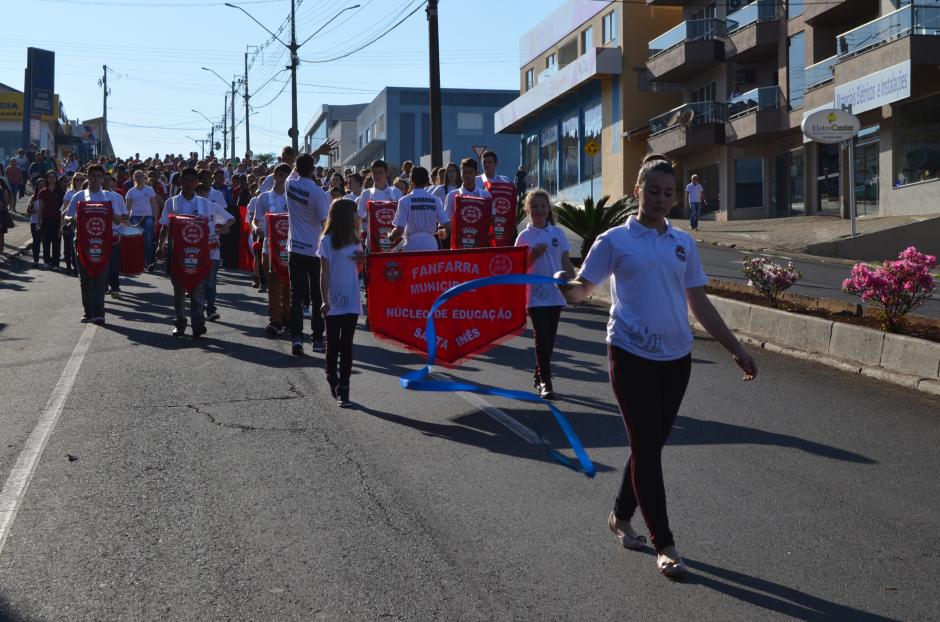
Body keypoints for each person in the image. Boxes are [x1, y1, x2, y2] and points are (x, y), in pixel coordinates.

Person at [556, 154, 757, 579]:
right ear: (637, 191)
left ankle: (619, 515)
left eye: (669, 192)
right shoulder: (613, 240)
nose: (662, 199)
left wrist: (735, 347)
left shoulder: (682, 242)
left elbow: (698, 302)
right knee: (647, 447)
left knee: (649, 447)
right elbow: (582, 292)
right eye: (654, 191)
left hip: (676, 359)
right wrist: (564, 285)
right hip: (629, 354)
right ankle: (664, 543)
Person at [157, 167, 233, 337]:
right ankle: (180, 323)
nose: (189, 184)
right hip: (177, 254)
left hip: (199, 254)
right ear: (180, 182)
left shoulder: (205, 204)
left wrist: (223, 228)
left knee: (198, 290)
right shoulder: (172, 202)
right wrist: (160, 245)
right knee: (179, 291)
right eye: (186, 180)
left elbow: (227, 220)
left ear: (196, 182)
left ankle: (198, 324)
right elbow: (165, 226)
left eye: (193, 180)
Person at [514, 189, 574, 399]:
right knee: (542, 337)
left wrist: (575, 284)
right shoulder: (524, 236)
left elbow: (566, 263)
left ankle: (539, 373)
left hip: (555, 295)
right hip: (534, 296)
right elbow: (517, 268)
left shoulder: (558, 234)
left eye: (543, 206)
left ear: (549, 209)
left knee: (550, 339)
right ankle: (545, 380)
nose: (539, 210)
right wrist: (533, 255)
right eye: (535, 207)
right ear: (528, 210)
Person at [64, 165, 129, 324]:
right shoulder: (80, 196)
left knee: (100, 277)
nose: (95, 179)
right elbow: (67, 216)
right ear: (88, 177)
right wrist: (74, 219)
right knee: (85, 279)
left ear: (102, 179)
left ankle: (100, 313)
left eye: (98, 176)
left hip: (102, 243)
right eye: (92, 176)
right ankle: (88, 312)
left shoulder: (110, 197)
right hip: (82, 241)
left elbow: (117, 219)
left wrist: (112, 214)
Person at [318, 198, 366, 406]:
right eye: (354, 213)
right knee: (333, 344)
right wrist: (323, 299)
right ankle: (331, 375)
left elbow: (358, 269)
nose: (357, 217)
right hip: (333, 299)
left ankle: (344, 387)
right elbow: (324, 271)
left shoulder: (356, 240)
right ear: (346, 216)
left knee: (347, 345)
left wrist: (362, 258)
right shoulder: (327, 240)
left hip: (352, 299)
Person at [285, 154, 331, 356]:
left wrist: (315, 152)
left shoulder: (289, 183)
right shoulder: (318, 192)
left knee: (297, 295)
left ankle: (296, 338)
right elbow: (325, 224)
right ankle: (317, 338)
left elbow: (298, 166)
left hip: (294, 248)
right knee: (317, 295)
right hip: (314, 250)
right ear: (313, 170)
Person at [253, 163, 291, 336]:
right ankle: (275, 319)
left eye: (285, 175)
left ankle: (286, 316)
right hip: (269, 246)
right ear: (273, 176)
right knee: (273, 283)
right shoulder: (263, 197)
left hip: (289, 247)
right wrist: (256, 228)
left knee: (287, 284)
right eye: (279, 174)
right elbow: (255, 219)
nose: (281, 177)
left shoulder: (292, 197)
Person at [388, 166, 450, 252]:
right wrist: (445, 234)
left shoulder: (404, 201)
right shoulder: (435, 200)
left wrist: (390, 238)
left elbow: (399, 229)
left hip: (412, 245)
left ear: (411, 180)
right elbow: (448, 226)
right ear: (426, 181)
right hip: (431, 244)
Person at [356, 159, 403, 237]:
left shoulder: (396, 192)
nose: (377, 176)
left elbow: (402, 217)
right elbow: (358, 218)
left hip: (394, 238)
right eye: (374, 173)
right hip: (373, 240)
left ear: (387, 173)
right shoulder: (366, 193)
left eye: (380, 172)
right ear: (371, 174)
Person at [125, 170, 160, 270]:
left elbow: (154, 205)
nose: (139, 178)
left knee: (148, 240)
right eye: (137, 176)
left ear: (144, 177)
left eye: (141, 176)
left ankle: (149, 263)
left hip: (148, 216)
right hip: (135, 216)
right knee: (135, 240)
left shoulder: (149, 190)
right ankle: (136, 262)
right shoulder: (130, 191)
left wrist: (156, 219)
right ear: (134, 178)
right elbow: (127, 208)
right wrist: (125, 220)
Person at [102, 173, 128, 297]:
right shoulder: (91, 195)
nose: (106, 182)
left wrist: (113, 216)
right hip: (99, 234)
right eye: (104, 179)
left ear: (113, 182)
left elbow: (124, 215)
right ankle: (103, 285)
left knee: (114, 263)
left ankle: (115, 287)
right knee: (102, 262)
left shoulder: (118, 196)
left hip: (114, 233)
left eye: (109, 180)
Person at [37, 172, 64, 269]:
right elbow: (40, 208)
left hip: (57, 220)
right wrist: (39, 222)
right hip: (46, 220)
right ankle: (47, 261)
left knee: (57, 242)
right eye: (49, 177)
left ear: (56, 179)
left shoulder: (60, 191)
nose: (51, 179)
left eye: (53, 177)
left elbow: (63, 209)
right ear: (47, 178)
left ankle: (56, 263)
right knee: (46, 242)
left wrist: (62, 223)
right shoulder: (42, 192)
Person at [61, 173, 85, 276]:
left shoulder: (86, 193)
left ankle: (79, 267)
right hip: (71, 223)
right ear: (73, 181)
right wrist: (62, 225)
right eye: (77, 179)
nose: (79, 181)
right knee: (70, 246)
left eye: (81, 179)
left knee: (80, 246)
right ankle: (72, 267)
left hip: (83, 223)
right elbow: (64, 211)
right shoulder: (69, 193)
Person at [26, 178, 44, 267]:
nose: (41, 186)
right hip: (34, 222)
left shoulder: (47, 196)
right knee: (36, 242)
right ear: (36, 186)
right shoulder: (33, 197)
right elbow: (28, 210)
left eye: (43, 184)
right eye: (39, 184)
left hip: (45, 222)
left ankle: (47, 261)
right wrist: (37, 210)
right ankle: (35, 261)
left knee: (46, 241)